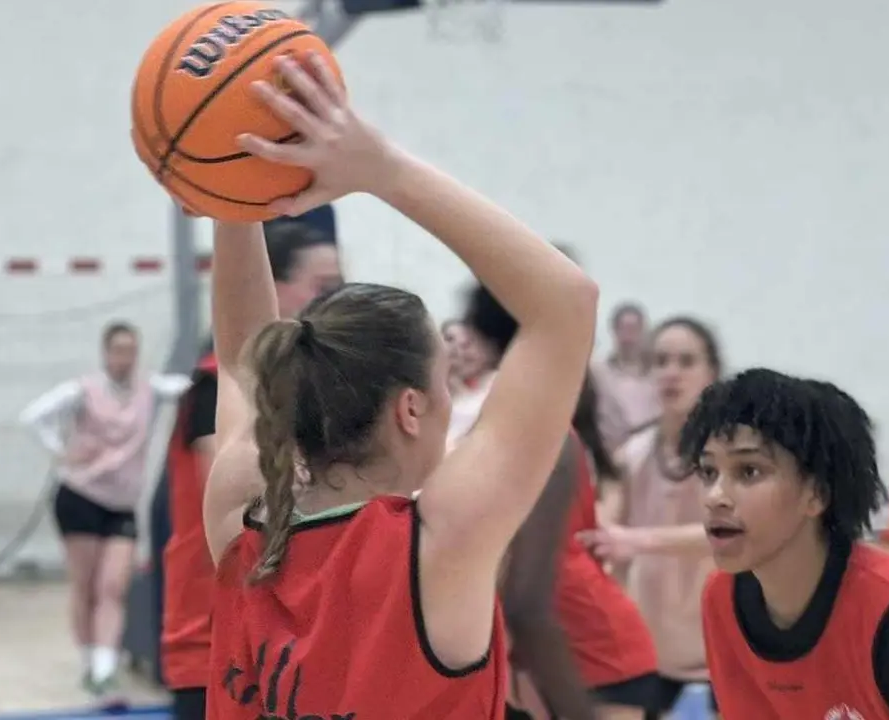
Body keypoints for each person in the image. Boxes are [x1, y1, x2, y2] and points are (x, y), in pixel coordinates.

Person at [198, 53, 597, 719]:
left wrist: (228, 189)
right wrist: (380, 169)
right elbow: (567, 300)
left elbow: (243, 358)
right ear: (411, 408)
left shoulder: (243, 524)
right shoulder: (437, 549)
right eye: (444, 377)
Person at [682, 368, 889, 720]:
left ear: (817, 494)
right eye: (708, 472)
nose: (715, 496)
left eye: (749, 471)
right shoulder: (721, 600)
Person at [158, 222, 343, 720]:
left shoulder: (300, 390)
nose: (332, 301)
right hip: (218, 634)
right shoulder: (217, 389)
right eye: (322, 287)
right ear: (270, 287)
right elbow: (250, 503)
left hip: (286, 635)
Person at [456, 286, 659, 720]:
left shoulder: (541, 433)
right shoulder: (496, 423)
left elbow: (526, 601)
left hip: (592, 648)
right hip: (542, 647)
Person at [18, 321, 189, 697]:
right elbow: (32, 417)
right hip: (80, 497)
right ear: (106, 353)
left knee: (114, 585)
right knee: (88, 586)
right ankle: (88, 659)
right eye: (118, 350)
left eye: (131, 350)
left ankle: (105, 664)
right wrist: (61, 451)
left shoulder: (150, 389)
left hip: (122, 505)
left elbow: (187, 387)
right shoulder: (83, 390)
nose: (125, 358)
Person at [580, 317, 722, 717]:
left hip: (720, 647)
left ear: (710, 372)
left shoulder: (731, 456)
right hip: (649, 649)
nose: (671, 372)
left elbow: (732, 531)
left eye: (685, 361)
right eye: (661, 361)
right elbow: (603, 530)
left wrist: (637, 540)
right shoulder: (632, 453)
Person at [590, 302, 660, 450]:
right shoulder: (599, 374)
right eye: (624, 329)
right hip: (610, 449)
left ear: (643, 331)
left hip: (650, 451)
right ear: (614, 331)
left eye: (633, 329)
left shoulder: (658, 375)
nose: (629, 337)